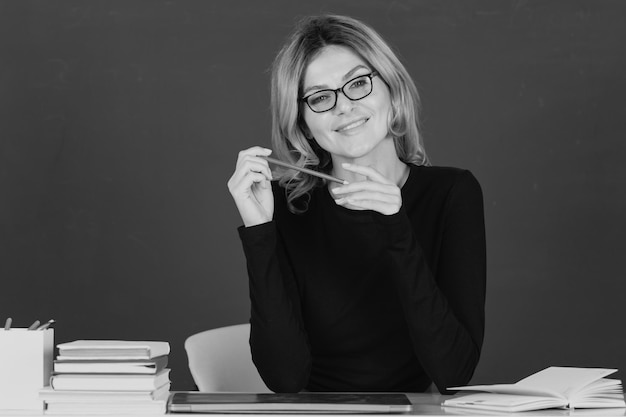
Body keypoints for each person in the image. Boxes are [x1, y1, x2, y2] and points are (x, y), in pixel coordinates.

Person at [227, 14, 486, 394]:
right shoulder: (284, 204)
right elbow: (285, 379)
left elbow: (453, 372)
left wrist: (396, 228)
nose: (343, 107)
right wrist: (260, 232)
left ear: (391, 90)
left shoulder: (452, 193)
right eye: (319, 97)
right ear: (302, 123)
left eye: (358, 84)